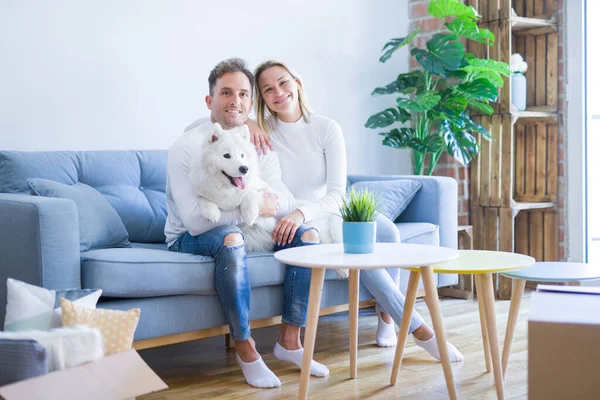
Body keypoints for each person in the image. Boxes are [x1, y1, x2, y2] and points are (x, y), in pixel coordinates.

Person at [252, 60, 464, 362]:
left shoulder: (326, 128)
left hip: (330, 207)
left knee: (387, 231)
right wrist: (248, 123)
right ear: (262, 98)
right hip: (301, 218)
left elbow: (338, 193)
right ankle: (419, 330)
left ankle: (385, 316)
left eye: (283, 82)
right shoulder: (263, 133)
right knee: (358, 251)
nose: (279, 92)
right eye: (268, 89)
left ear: (297, 82)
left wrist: (305, 212)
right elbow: (222, 123)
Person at [165, 58, 329, 389]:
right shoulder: (186, 147)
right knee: (231, 239)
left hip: (251, 228)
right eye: (226, 93)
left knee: (308, 236)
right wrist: (250, 210)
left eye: (243, 94)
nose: (235, 101)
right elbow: (196, 222)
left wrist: (271, 204)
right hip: (189, 235)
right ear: (210, 101)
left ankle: (290, 340)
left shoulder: (257, 144)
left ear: (251, 103)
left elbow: (280, 197)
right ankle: (245, 346)